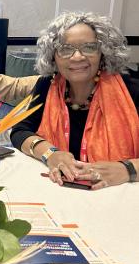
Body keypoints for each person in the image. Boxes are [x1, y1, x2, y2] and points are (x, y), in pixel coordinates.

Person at [10, 12, 139, 190]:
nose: (77, 56)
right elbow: (20, 131)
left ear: (103, 52)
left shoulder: (132, 90)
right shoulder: (48, 85)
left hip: (120, 197)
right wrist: (50, 153)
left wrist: (127, 170)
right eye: (65, 49)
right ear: (53, 56)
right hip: (60, 192)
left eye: (89, 47)